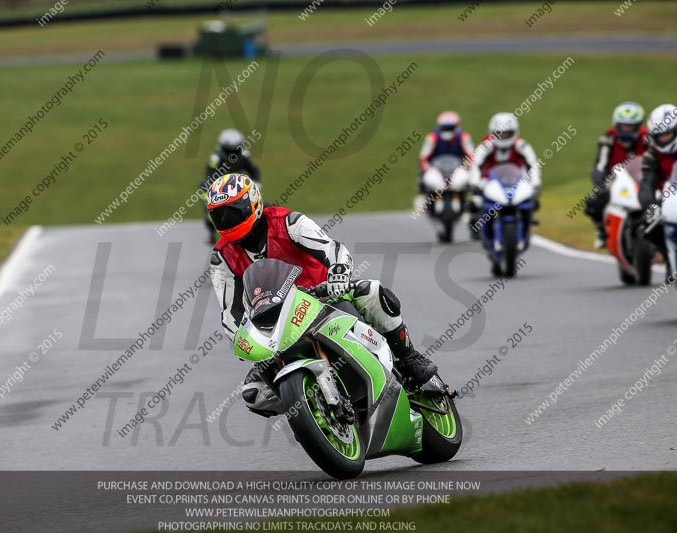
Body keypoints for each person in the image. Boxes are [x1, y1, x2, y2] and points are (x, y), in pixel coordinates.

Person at [207, 173, 437, 417]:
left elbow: (331, 247)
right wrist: (242, 339)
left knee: (373, 291)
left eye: (232, 212)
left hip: (323, 298)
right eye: (219, 215)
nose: (226, 220)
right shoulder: (221, 256)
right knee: (254, 392)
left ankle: (408, 357)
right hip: (277, 326)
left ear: (253, 203)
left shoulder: (288, 222)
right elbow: (229, 311)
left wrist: (338, 274)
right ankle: (310, 410)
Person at [584, 102, 648, 248]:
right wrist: (601, 184)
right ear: (616, 125)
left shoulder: (647, 138)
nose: (626, 130)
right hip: (614, 180)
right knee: (593, 203)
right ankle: (601, 230)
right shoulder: (608, 139)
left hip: (642, 179)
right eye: (623, 126)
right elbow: (599, 166)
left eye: (630, 126)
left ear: (638, 126)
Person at [468, 112, 541, 231]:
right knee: (478, 201)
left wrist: (536, 184)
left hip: (515, 179)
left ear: (514, 132)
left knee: (529, 199)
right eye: (500, 134)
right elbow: (476, 164)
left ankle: (526, 222)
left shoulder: (521, 145)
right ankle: (479, 221)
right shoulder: (486, 145)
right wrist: (475, 185)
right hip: (490, 179)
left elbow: (532, 164)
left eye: (507, 134)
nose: (503, 137)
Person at [638, 104, 677, 260]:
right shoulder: (652, 154)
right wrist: (650, 206)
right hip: (669, 200)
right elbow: (647, 184)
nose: (664, 139)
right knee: (648, 225)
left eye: (668, 134)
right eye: (660, 136)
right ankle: (668, 256)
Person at [200, 129, 261, 244]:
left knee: (256, 204)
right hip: (219, 187)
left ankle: (253, 230)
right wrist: (213, 187)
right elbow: (209, 173)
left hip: (238, 186)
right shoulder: (216, 157)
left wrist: (256, 184)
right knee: (210, 209)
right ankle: (212, 233)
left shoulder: (243, 154)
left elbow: (254, 170)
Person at [417, 111, 474, 197]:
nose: (447, 131)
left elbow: (471, 156)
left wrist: (467, 167)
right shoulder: (433, 137)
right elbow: (423, 158)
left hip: (457, 169)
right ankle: (427, 200)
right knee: (428, 179)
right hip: (436, 169)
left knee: (466, 179)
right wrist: (427, 170)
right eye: (445, 128)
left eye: (450, 128)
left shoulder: (463, 137)